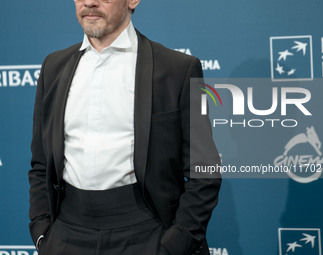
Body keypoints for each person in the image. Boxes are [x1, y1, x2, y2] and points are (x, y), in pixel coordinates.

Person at [28, 0, 221, 254]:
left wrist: (176, 243)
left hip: (146, 233)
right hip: (66, 234)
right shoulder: (53, 67)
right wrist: (42, 232)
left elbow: (204, 170)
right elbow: (42, 163)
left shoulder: (178, 70)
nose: (89, 2)